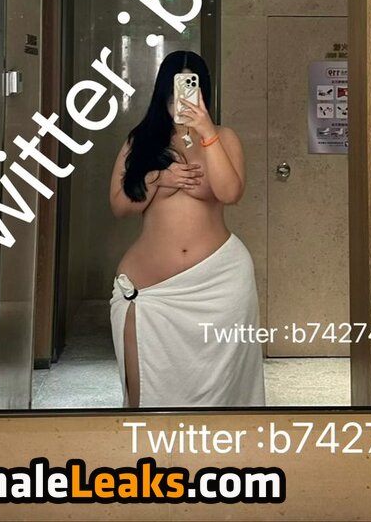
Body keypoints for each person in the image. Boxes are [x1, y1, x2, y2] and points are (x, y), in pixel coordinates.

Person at [109, 50, 265, 408]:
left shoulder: (223, 137)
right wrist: (158, 179)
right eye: (173, 92)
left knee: (223, 390)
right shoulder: (141, 140)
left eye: (190, 90)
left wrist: (206, 132)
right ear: (161, 93)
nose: (180, 101)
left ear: (203, 91)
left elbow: (230, 193)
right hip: (151, 291)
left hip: (219, 286)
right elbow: (119, 206)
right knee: (144, 388)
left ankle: (214, 443)